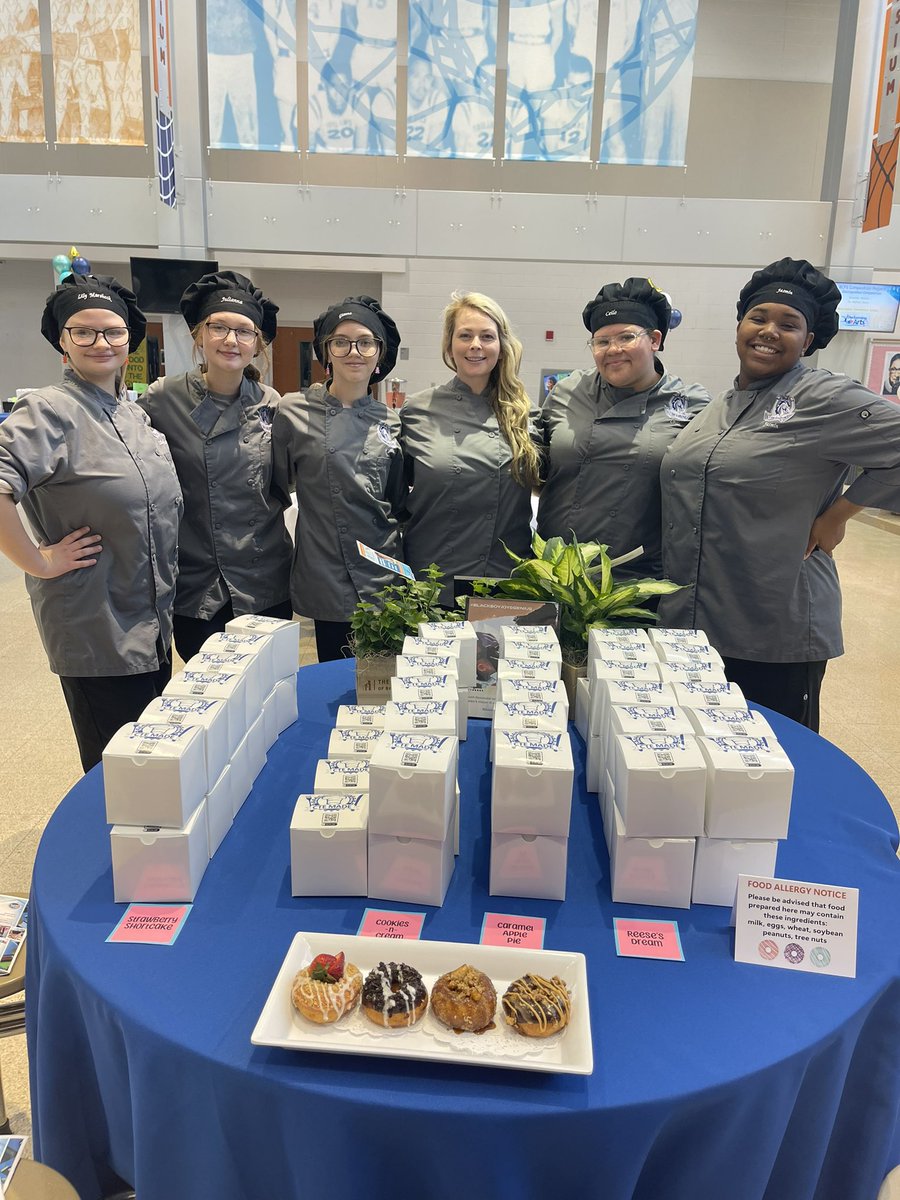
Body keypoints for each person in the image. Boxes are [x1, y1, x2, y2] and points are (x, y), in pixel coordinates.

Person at [659, 257, 900, 730]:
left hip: (774, 629)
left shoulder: (822, 397)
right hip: (694, 622)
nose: (769, 331)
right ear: (739, 326)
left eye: (788, 324)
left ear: (808, 341)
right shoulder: (720, 406)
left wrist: (840, 514)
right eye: (758, 317)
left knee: (771, 772)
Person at [0, 273, 182, 771]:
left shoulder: (131, 414)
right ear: (63, 341)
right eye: (84, 332)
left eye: (113, 332)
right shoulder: (48, 411)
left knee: (152, 764)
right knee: (119, 774)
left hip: (147, 620)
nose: (101, 343)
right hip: (96, 627)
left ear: (130, 340)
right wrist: (37, 561)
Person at [139, 270, 293, 663]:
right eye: (219, 327)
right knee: (208, 701)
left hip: (264, 580)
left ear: (257, 344)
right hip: (198, 585)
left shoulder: (273, 404)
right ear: (198, 335)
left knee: (270, 698)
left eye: (244, 331)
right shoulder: (162, 400)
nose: (231, 340)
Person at [538, 277, 709, 579]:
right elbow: (537, 464)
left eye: (626, 337)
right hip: (553, 572)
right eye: (601, 341)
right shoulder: (567, 392)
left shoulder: (693, 404)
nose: (613, 349)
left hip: (635, 582)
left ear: (655, 340)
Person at [272, 296, 404, 662]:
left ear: (379, 354)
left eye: (365, 342)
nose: (354, 351)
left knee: (384, 685)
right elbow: (276, 487)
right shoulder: (292, 411)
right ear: (325, 351)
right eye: (341, 341)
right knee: (336, 683)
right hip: (326, 571)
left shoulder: (390, 422)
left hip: (384, 572)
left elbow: (395, 502)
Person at [400, 292, 543, 605]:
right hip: (433, 578)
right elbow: (394, 498)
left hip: (505, 581)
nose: (475, 345)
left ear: (501, 346)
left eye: (487, 336)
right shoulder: (416, 411)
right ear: (450, 344)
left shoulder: (526, 415)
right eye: (465, 335)